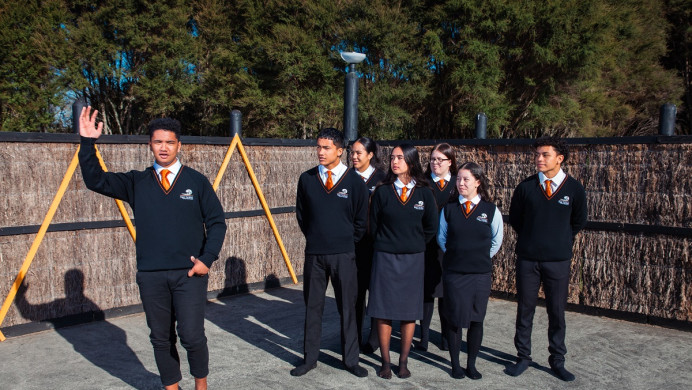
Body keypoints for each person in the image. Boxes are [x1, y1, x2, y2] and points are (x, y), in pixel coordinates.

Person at [78, 107, 227, 390]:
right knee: (160, 337)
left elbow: (218, 223)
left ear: (179, 145)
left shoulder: (196, 181)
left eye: (169, 142)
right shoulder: (136, 182)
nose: (163, 147)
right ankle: (171, 387)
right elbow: (95, 180)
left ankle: (201, 385)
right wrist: (87, 143)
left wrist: (206, 260)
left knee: (192, 336)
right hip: (151, 275)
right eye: (158, 141)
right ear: (150, 144)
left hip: (190, 274)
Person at [506, 136, 587, 381]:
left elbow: (578, 221)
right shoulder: (526, 187)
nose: (539, 159)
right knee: (525, 310)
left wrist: (557, 241)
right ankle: (523, 357)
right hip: (528, 260)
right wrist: (534, 240)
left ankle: (557, 360)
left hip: (558, 262)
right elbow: (516, 219)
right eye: (537, 154)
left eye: (545, 155)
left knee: (557, 312)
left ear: (559, 159)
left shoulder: (574, 189)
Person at [292, 128, 369, 378]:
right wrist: (316, 238)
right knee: (312, 308)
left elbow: (361, 220)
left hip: (344, 255)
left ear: (339, 150)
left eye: (326, 148)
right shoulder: (307, 179)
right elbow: (302, 216)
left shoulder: (355, 182)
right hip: (314, 255)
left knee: (348, 308)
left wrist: (346, 242)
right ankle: (309, 359)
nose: (320, 152)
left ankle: (351, 360)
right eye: (318, 147)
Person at [367, 144, 439, 379]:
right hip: (385, 259)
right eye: (392, 158)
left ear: (411, 161)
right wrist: (389, 245)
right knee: (384, 311)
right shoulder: (382, 191)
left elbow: (431, 228)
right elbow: (373, 226)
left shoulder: (425, 192)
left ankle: (404, 361)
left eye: (400, 157)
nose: (394, 162)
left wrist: (413, 244)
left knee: (409, 312)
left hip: (413, 260)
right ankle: (386, 362)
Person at [437, 162, 503, 380]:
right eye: (458, 179)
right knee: (455, 319)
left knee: (476, 319)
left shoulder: (490, 211)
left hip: (479, 275)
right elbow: (442, 238)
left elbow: (496, 241)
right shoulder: (449, 209)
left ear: (478, 182)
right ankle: (455, 365)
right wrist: (458, 256)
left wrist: (478, 258)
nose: (461, 183)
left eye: (466, 179)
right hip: (455, 274)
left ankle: (471, 364)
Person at [417, 143, 458, 352]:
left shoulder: (457, 184)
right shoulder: (423, 184)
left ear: (450, 162)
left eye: (440, 160)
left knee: (445, 294)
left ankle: (444, 337)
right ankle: (423, 337)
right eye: (432, 159)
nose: (435, 163)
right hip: (426, 246)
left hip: (449, 248)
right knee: (426, 293)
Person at [350, 137, 387, 353]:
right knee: (354, 295)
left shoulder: (382, 180)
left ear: (370, 155)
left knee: (376, 294)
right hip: (352, 248)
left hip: (376, 248)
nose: (354, 157)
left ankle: (374, 340)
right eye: (352, 153)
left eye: (358, 153)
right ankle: (353, 337)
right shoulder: (345, 178)